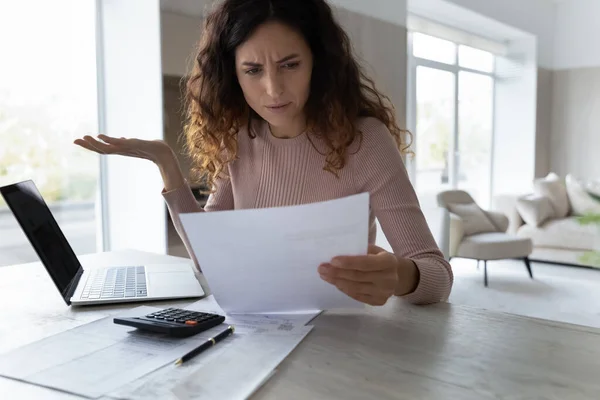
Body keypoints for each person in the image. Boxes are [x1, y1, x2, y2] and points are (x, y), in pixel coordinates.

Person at [75, 0, 453, 306]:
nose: (273, 89)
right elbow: (210, 259)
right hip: (259, 335)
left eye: (290, 65)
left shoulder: (365, 140)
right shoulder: (237, 139)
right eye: (253, 70)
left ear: (318, 63)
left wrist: (401, 276)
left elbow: (436, 274)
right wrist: (166, 164)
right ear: (232, 76)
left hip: (342, 341)